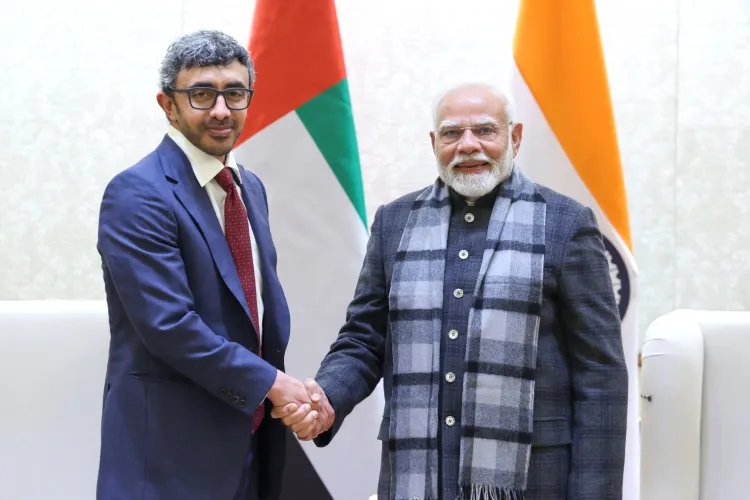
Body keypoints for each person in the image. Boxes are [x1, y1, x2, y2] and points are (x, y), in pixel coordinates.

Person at [274, 83, 629, 500]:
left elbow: (600, 376)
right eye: (451, 133)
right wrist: (327, 397)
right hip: (415, 477)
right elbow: (364, 340)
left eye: (485, 131)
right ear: (434, 142)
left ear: (514, 137)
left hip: (535, 480)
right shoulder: (395, 222)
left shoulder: (566, 224)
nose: (468, 145)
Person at [96, 30, 315, 500]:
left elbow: (253, 306)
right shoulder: (137, 193)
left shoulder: (248, 187)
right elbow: (169, 326)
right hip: (171, 459)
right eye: (202, 94)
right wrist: (274, 385)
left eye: (234, 93)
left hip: (253, 443)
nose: (221, 110)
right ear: (168, 105)